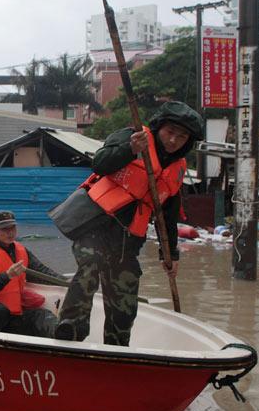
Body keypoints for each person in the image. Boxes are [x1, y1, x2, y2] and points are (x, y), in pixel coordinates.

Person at [50, 101, 203, 346]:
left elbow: (169, 217)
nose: (174, 140)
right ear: (159, 128)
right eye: (170, 132)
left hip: (128, 241)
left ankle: (118, 347)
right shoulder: (132, 136)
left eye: (182, 137)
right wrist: (130, 149)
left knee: (125, 302)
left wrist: (170, 254)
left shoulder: (177, 169)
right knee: (89, 269)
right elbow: (99, 163)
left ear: (189, 141)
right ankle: (70, 331)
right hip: (96, 225)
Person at [0, 211, 73, 339]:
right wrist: (7, 276)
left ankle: (61, 335)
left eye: (12, 228)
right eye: (4, 229)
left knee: (42, 316)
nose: (10, 233)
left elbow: (41, 272)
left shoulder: (21, 250)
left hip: (13, 314)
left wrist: (66, 281)